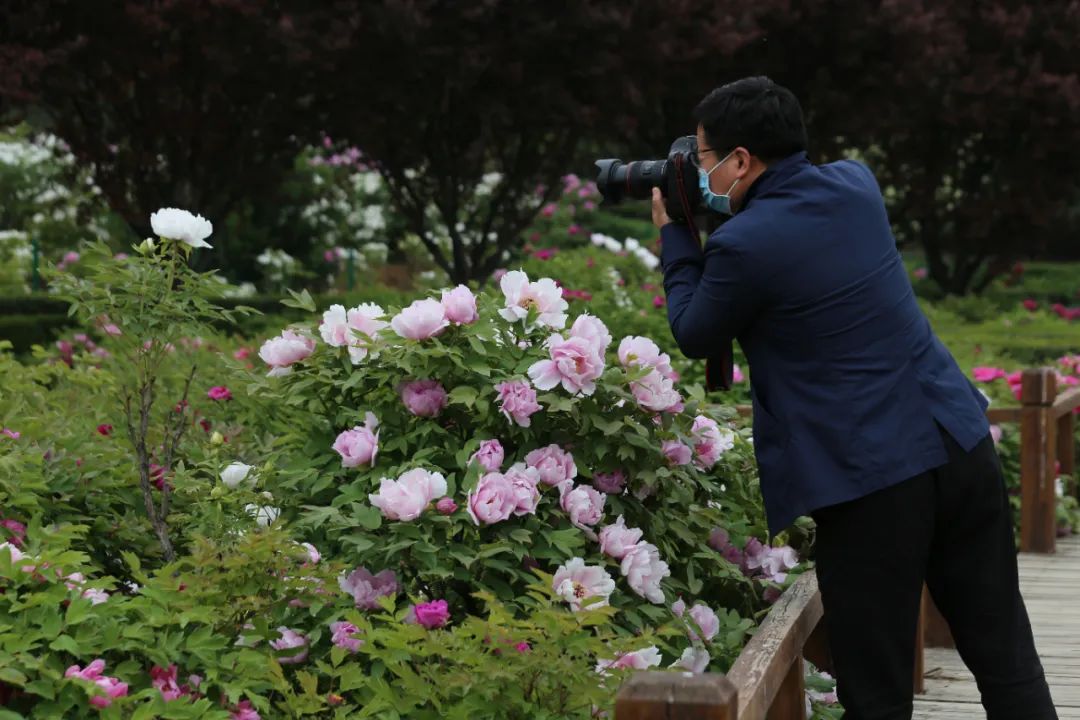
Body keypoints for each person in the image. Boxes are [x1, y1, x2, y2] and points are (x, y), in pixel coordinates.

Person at [651, 75, 1057, 720]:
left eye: (701, 157)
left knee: (876, 691)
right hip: (957, 441)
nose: (695, 170)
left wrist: (676, 233)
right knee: (1005, 656)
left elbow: (695, 332)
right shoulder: (857, 185)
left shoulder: (743, 243)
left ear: (740, 161)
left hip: (871, 481)